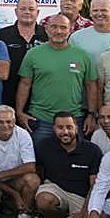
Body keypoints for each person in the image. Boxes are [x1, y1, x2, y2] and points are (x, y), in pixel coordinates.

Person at [15, 13, 100, 149]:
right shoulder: (33, 54)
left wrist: (91, 115)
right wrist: (19, 113)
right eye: (54, 27)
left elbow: (91, 86)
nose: (58, 31)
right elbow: (24, 84)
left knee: (73, 162)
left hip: (74, 121)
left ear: (70, 30)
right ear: (47, 29)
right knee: (40, 164)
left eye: (63, 27)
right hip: (41, 120)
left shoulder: (82, 55)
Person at [35, 112, 103, 218]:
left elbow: (95, 186)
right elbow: (38, 171)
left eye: (69, 127)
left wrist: (83, 214)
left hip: (82, 195)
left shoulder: (92, 150)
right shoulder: (44, 146)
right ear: (54, 128)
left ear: (76, 128)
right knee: (44, 200)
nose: (65, 132)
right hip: (56, 189)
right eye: (60, 127)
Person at [0, 0, 47, 110]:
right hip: (7, 96)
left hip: (41, 99)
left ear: (37, 12)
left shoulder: (47, 35)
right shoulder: (2, 35)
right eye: (22, 9)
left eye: (31, 9)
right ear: (16, 11)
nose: (27, 12)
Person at [70, 0, 110, 64]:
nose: (99, 14)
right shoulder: (77, 37)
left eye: (104, 10)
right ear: (90, 13)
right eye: (95, 10)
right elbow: (71, 64)